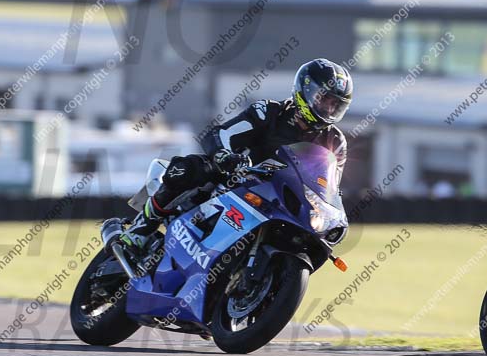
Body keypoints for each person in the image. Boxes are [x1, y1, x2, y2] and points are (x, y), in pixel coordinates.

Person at [117, 58, 353, 250]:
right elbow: (221, 134)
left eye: (336, 105)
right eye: (325, 100)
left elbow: (329, 186)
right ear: (306, 89)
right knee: (189, 169)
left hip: (281, 198)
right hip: (237, 179)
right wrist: (225, 155)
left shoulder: (335, 142)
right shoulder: (269, 112)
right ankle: (142, 227)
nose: (329, 109)